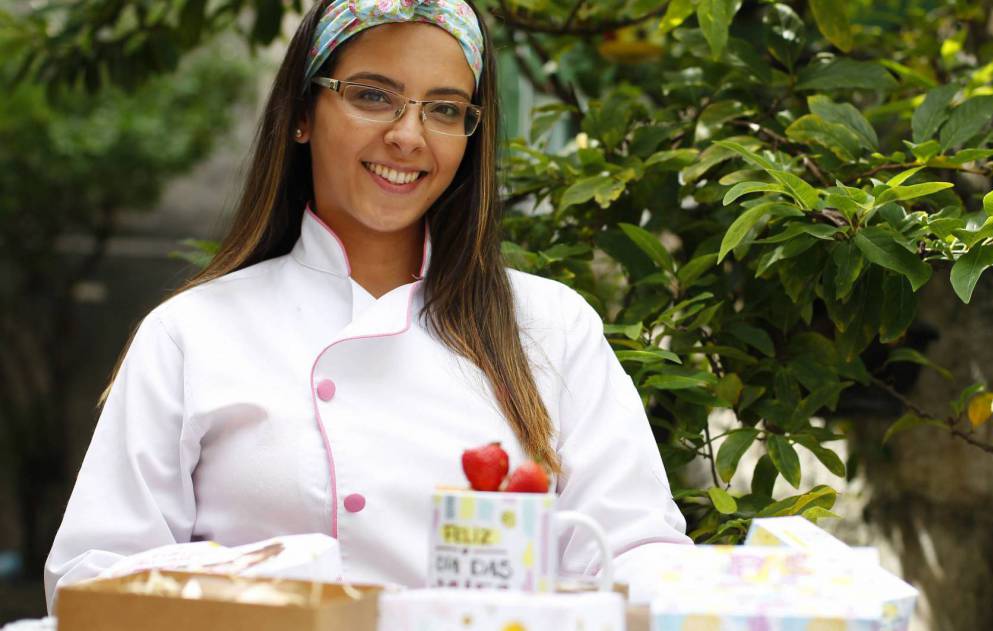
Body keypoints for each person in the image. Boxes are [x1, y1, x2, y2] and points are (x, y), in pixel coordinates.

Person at [44, 0, 690, 610]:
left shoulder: (551, 325)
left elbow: (636, 554)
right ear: (302, 112)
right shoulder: (192, 332)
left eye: (443, 109)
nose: (408, 136)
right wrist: (279, 572)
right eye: (373, 96)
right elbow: (90, 582)